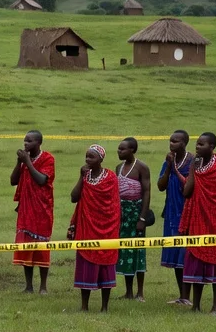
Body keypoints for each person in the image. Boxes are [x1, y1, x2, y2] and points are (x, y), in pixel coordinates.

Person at [181, 132, 216, 314]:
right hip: (197, 219)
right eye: (197, 144)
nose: (197, 147)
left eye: (202, 144)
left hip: (215, 220)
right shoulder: (196, 164)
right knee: (196, 261)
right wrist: (193, 169)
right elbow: (187, 191)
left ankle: (215, 306)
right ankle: (196, 305)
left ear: (212, 147)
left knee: (215, 261)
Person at [68, 144, 119, 312]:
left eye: (92, 157)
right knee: (85, 264)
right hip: (87, 227)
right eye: (87, 156)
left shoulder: (110, 177)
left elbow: (112, 204)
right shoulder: (86, 176)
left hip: (106, 227)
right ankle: (84, 306)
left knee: (106, 265)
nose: (88, 160)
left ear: (101, 159)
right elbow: (74, 197)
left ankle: (105, 307)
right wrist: (81, 177)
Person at [10, 130, 54, 294]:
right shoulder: (24, 161)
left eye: (29, 141)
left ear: (39, 143)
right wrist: (19, 162)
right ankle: (29, 285)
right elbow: (13, 180)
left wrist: (28, 162)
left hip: (42, 209)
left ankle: (43, 286)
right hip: (26, 209)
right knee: (26, 246)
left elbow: (42, 180)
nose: (25, 144)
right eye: (24, 141)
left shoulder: (48, 159)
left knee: (41, 247)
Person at [156, 130, 193, 305]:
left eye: (176, 141)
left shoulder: (192, 162)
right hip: (171, 212)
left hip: (187, 212)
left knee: (185, 254)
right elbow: (160, 186)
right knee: (176, 254)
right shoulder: (168, 162)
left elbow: (189, 187)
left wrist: (176, 169)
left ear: (185, 143)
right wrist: (170, 166)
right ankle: (182, 295)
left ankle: (187, 295)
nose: (172, 144)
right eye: (170, 141)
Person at [115, 137, 152, 301]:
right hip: (122, 214)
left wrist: (142, 218)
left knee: (137, 250)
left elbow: (146, 192)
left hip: (136, 212)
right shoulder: (118, 168)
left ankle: (140, 292)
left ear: (132, 150)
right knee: (125, 250)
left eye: (123, 149)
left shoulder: (142, 167)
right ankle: (128, 291)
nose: (119, 151)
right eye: (118, 148)